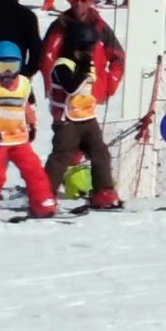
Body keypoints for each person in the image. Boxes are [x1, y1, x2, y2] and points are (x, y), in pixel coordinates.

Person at [0, 42, 57, 222]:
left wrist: (32, 124)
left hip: (19, 139)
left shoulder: (23, 84)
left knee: (34, 170)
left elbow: (26, 106)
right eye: (2, 68)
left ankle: (42, 202)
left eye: (12, 67)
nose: (8, 73)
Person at [43, 22, 124, 209]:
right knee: (61, 157)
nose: (89, 53)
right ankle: (44, 194)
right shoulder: (62, 66)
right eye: (86, 49)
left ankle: (103, 191)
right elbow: (70, 87)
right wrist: (83, 71)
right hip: (67, 121)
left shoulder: (86, 62)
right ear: (74, 48)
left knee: (100, 154)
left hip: (87, 118)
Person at [39, 0, 125, 102]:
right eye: (75, 0)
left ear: (90, 2)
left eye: (83, 0)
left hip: (92, 95)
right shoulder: (60, 25)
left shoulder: (100, 27)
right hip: (63, 94)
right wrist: (50, 86)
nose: (78, 3)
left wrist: (108, 87)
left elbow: (118, 57)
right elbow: (46, 56)